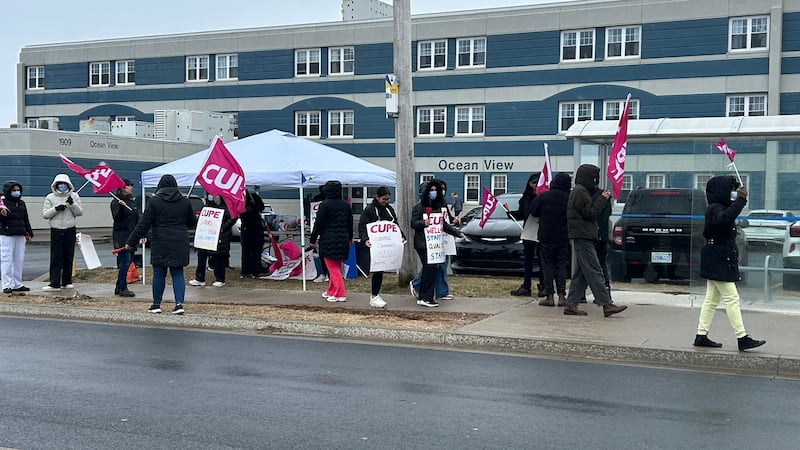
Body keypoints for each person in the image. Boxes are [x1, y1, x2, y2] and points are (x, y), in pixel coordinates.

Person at [694, 176, 766, 351]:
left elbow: (727, 217)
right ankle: (742, 337)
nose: (733, 194)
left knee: (711, 299)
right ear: (722, 191)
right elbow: (723, 219)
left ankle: (701, 335)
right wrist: (740, 201)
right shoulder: (715, 208)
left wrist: (738, 202)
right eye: (731, 190)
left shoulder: (719, 207)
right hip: (718, 258)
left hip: (717, 257)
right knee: (732, 298)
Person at [125, 174, 195, 314]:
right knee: (177, 273)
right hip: (179, 241)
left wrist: (130, 242)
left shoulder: (155, 201)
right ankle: (179, 304)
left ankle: (156, 304)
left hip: (160, 240)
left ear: (160, 186)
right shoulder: (185, 202)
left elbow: (143, 224)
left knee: (159, 273)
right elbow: (191, 223)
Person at [563, 164, 627, 317]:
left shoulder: (580, 191)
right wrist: (603, 199)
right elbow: (591, 213)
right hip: (583, 236)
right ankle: (606, 304)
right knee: (594, 269)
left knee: (582, 273)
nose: (596, 182)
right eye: (594, 178)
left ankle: (571, 304)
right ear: (588, 178)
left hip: (583, 235)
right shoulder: (580, 192)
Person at [411, 179, 464, 307]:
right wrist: (424, 223)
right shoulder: (419, 207)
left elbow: (444, 224)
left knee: (433, 269)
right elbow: (413, 224)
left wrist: (457, 233)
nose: (434, 193)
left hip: (435, 243)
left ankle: (426, 296)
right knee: (429, 269)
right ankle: (424, 296)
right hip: (423, 243)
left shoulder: (438, 206)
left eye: (436, 191)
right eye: (431, 190)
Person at [359, 186, 405, 308]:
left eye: (388, 199)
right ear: (377, 197)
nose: (386, 201)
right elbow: (362, 226)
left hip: (387, 244)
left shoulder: (389, 209)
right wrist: (365, 239)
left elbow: (395, 224)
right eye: (384, 199)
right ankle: (374, 296)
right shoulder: (369, 210)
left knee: (382, 269)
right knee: (377, 270)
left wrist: (401, 236)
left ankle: (376, 295)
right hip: (375, 244)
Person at [529, 172, 571, 306]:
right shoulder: (569, 198)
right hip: (564, 236)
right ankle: (562, 295)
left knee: (547, 266)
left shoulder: (544, 196)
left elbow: (533, 211)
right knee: (561, 266)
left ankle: (549, 295)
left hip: (546, 236)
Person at [310, 180, 353, 302]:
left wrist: (313, 239)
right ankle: (331, 290)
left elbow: (318, 224)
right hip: (343, 238)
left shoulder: (325, 205)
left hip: (328, 238)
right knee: (336, 267)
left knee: (332, 268)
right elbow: (349, 223)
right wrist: (350, 238)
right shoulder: (346, 205)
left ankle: (340, 293)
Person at [41, 174, 83, 291]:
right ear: (56, 185)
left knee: (68, 255)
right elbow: (45, 214)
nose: (62, 187)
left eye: (64, 184)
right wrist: (56, 209)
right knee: (56, 256)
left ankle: (67, 281)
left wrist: (72, 204)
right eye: (60, 184)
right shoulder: (50, 197)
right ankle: (54, 282)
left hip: (70, 228)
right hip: (56, 230)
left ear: (68, 185)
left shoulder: (74, 196)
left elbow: (80, 212)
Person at [510, 173, 545, 297]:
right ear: (530, 184)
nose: (535, 185)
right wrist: (511, 213)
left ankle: (543, 286)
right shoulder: (525, 197)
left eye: (538, 182)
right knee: (528, 261)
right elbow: (522, 213)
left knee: (542, 261)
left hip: (541, 231)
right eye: (533, 183)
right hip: (529, 231)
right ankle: (526, 286)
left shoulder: (543, 196)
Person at [190, 194, 235, 288]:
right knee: (201, 255)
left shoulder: (226, 207)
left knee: (218, 257)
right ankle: (199, 278)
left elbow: (232, 218)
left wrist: (223, 227)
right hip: (207, 234)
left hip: (220, 236)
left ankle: (220, 279)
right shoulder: (207, 206)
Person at [0, 181, 34, 294]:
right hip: (7, 234)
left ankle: (17, 283)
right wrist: (2, 214)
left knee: (18, 260)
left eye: (18, 190)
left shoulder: (21, 203)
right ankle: (6, 284)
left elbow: (25, 218)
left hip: (20, 234)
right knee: (6, 260)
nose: (16, 192)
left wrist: (29, 232)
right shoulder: (2, 203)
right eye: (14, 190)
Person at [110, 178, 139, 297]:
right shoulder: (116, 202)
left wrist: (141, 234)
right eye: (128, 185)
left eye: (131, 185)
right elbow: (117, 219)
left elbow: (136, 218)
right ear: (122, 187)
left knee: (128, 261)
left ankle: (119, 286)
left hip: (131, 236)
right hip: (121, 236)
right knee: (125, 262)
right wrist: (121, 207)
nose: (130, 187)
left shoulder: (131, 201)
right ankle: (123, 287)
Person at [239, 189, 266, 278]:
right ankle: (245, 271)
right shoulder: (239, 198)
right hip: (246, 228)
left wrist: (248, 209)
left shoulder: (253, 196)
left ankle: (255, 271)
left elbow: (261, 207)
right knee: (246, 251)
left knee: (256, 251)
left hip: (256, 228)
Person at [310, 185, 329, 283]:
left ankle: (327, 274)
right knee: (322, 254)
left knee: (326, 255)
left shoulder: (328, 202)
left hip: (327, 233)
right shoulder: (316, 199)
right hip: (323, 232)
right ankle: (324, 273)